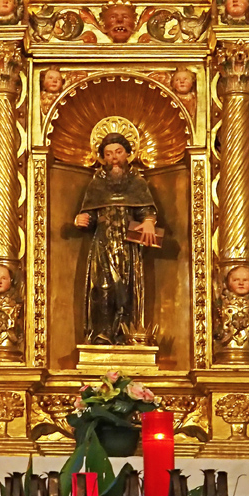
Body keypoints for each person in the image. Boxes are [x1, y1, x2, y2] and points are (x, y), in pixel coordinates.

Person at [74, 133, 158, 344]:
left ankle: (123, 334)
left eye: (118, 152)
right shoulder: (97, 184)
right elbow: (90, 215)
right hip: (103, 243)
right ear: (103, 157)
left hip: (128, 244)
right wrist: (81, 219)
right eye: (108, 154)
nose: (114, 158)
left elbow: (146, 210)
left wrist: (148, 220)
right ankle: (102, 333)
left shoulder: (137, 182)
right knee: (102, 288)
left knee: (126, 289)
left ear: (128, 154)